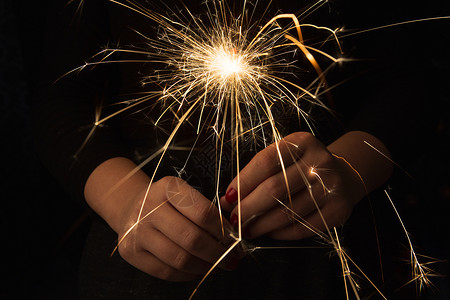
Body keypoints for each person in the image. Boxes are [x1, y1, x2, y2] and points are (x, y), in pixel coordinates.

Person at [33, 0, 428, 298]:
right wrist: (125, 201)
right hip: (141, 267)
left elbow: (411, 81)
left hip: (339, 265)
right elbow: (61, 98)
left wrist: (349, 167)